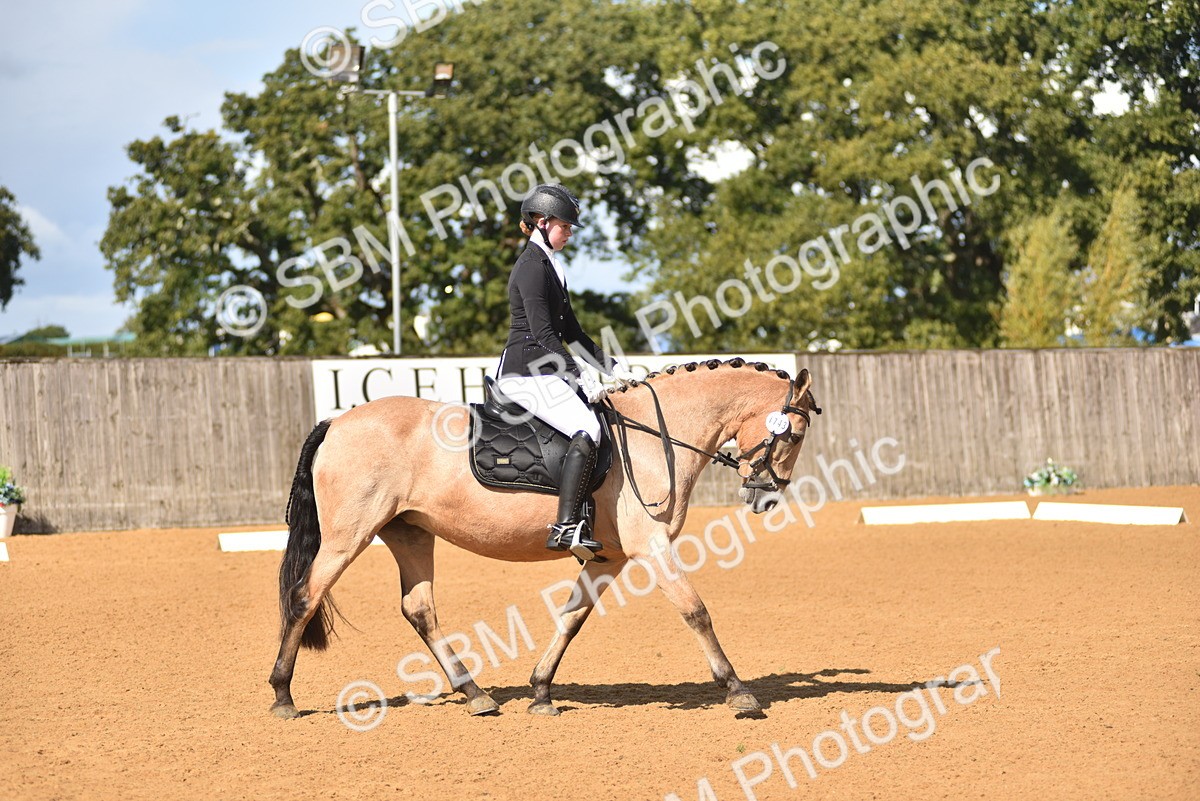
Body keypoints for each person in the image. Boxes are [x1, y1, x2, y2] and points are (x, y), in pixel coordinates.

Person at [496, 184, 637, 560]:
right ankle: (566, 525)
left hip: (545, 370)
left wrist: (615, 368)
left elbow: (572, 332)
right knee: (587, 428)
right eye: (566, 225)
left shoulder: (551, 266)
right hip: (525, 374)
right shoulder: (530, 268)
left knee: (602, 420)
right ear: (543, 222)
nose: (570, 232)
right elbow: (543, 334)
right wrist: (579, 374)